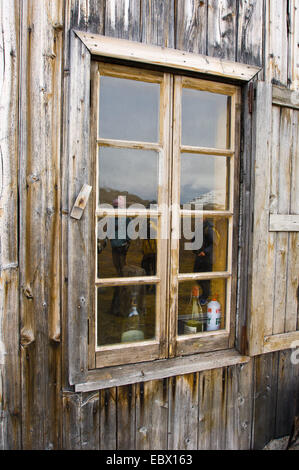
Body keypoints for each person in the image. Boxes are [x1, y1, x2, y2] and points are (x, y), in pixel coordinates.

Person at [193, 219, 219, 305]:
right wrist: (196, 250)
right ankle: (205, 294)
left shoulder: (209, 228)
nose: (197, 219)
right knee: (198, 276)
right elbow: (195, 240)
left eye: (200, 217)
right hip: (200, 258)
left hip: (207, 259)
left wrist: (205, 252)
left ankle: (205, 297)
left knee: (205, 279)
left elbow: (215, 243)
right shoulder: (200, 228)